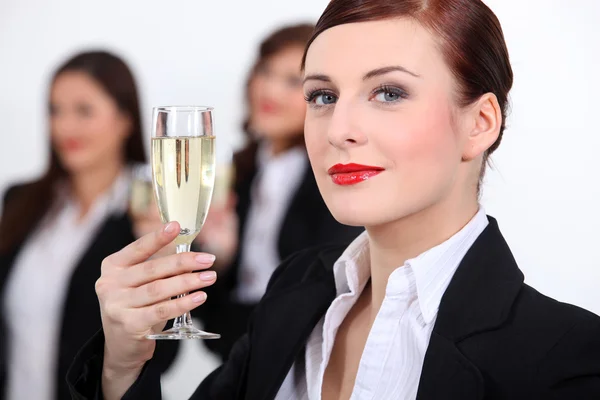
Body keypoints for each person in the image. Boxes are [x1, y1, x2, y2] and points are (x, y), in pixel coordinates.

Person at [66, 1, 600, 399]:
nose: (338, 129)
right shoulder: (291, 298)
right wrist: (122, 365)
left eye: (388, 92)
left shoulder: (571, 358)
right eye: (322, 96)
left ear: (480, 123)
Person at [0, 51, 176, 400]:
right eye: (55, 110)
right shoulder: (20, 200)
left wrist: (162, 259)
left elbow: (164, 355)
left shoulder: (153, 213)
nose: (64, 126)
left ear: (125, 118)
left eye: (84, 110)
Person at [193, 23, 364, 361]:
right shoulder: (236, 173)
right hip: (237, 360)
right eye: (265, 72)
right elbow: (208, 314)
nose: (268, 91)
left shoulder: (340, 177)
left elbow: (327, 294)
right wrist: (218, 256)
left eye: (291, 82)